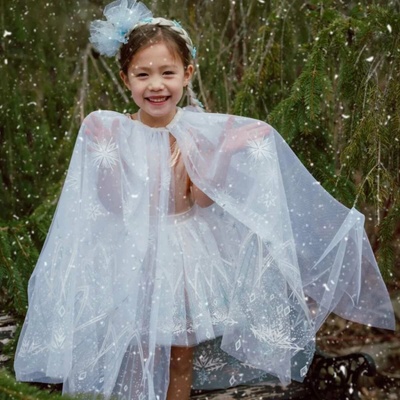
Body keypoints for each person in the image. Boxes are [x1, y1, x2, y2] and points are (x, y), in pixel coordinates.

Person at [14, 1, 395, 399]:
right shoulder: (116, 130)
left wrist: (223, 151)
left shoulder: (195, 131)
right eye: (143, 74)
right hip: (133, 255)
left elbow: (202, 200)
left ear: (187, 74)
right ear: (126, 79)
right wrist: (105, 155)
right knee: (139, 349)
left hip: (183, 255)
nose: (156, 85)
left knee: (180, 356)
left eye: (167, 73)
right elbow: (112, 204)